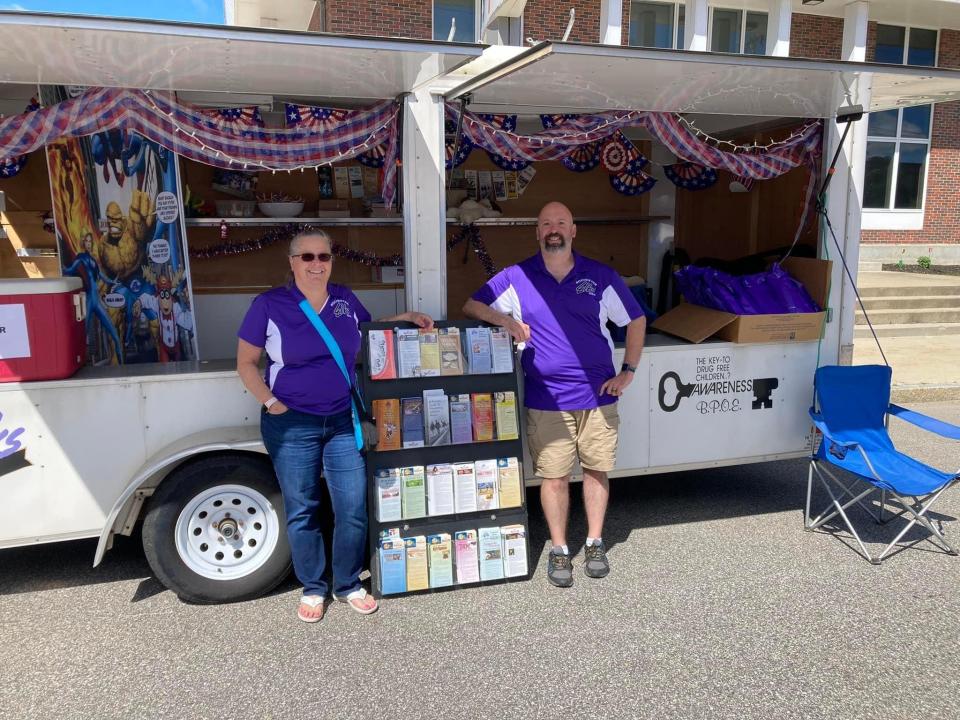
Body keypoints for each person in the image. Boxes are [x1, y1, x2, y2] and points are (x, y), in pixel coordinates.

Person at [237, 230, 432, 622]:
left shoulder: (343, 300)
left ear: (331, 261)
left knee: (352, 507)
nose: (316, 264)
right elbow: (246, 363)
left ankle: (346, 584)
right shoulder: (269, 304)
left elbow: (367, 332)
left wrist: (406, 318)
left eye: (323, 256)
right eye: (306, 256)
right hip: (292, 425)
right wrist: (271, 403)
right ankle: (313, 587)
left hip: (342, 420)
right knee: (302, 508)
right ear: (292, 262)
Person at [463, 201, 646, 588]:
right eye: (546, 223)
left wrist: (628, 371)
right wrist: (506, 320)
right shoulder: (517, 276)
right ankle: (560, 549)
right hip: (547, 399)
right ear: (537, 231)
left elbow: (636, 318)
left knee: (597, 471)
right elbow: (472, 305)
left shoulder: (598, 275)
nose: (553, 229)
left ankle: (595, 542)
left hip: (598, 396)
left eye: (561, 222)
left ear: (573, 230)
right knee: (555, 477)